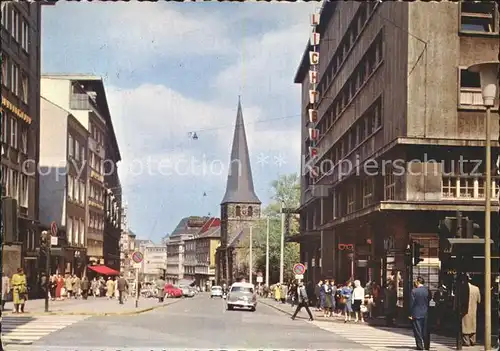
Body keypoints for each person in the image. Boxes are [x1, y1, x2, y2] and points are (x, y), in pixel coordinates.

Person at [410, 276, 431, 351]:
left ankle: (420, 346)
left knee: (417, 330)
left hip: (416, 313)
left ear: (418, 282)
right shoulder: (427, 290)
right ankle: (427, 346)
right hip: (425, 312)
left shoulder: (414, 291)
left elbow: (411, 303)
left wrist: (410, 314)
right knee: (425, 330)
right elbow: (429, 299)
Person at [462, 277, 480, 346]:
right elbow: (479, 300)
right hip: (473, 310)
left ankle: (466, 342)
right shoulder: (476, 288)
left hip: (465, 311)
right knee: (473, 326)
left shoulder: (462, 288)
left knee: (465, 326)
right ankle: (473, 340)